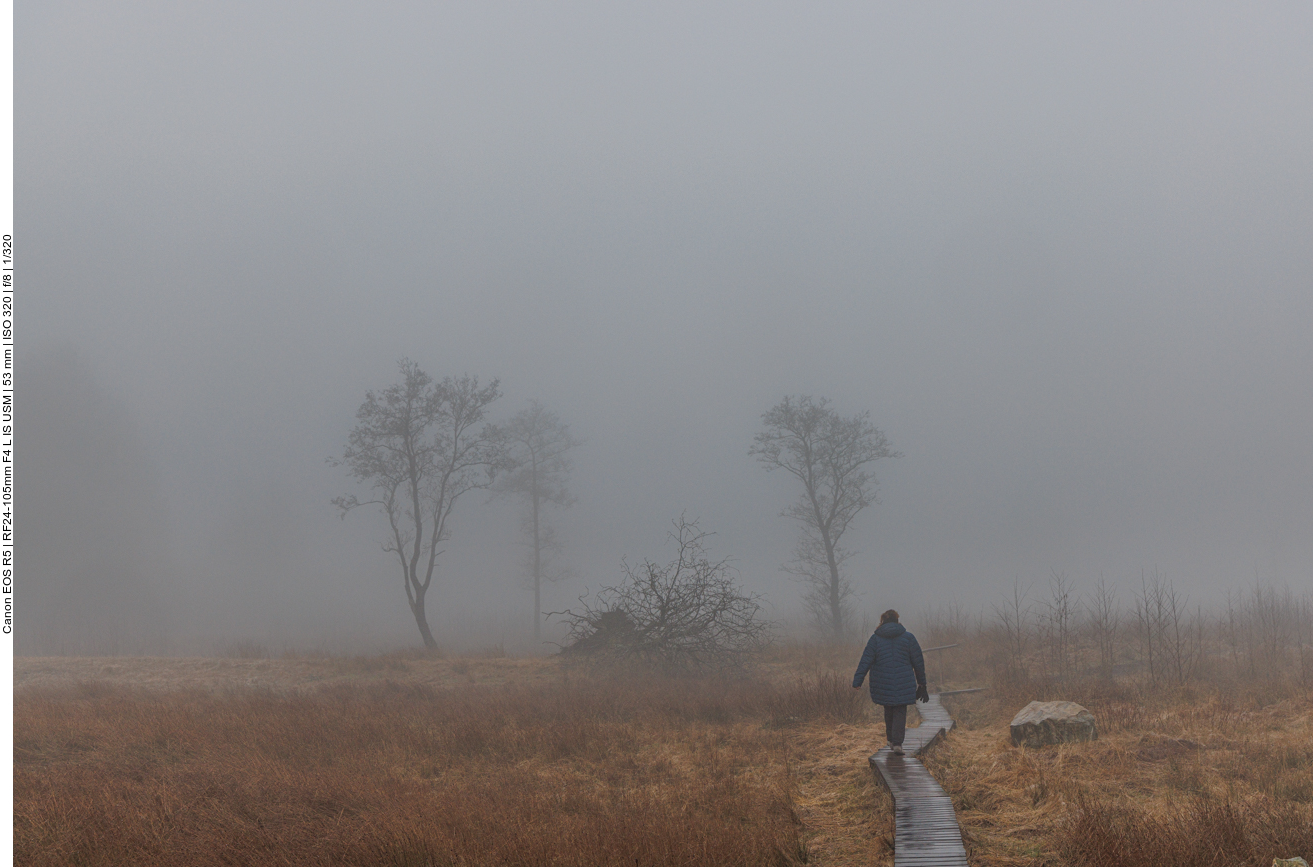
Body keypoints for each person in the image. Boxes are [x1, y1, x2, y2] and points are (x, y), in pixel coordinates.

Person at [852, 609, 929, 756]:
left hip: (882, 681)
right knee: (900, 710)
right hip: (904, 681)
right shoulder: (909, 638)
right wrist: (922, 684)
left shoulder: (875, 639)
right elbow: (918, 662)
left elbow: (865, 661)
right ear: (897, 620)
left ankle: (891, 740)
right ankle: (898, 743)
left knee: (888, 709)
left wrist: (858, 681)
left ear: (882, 622)